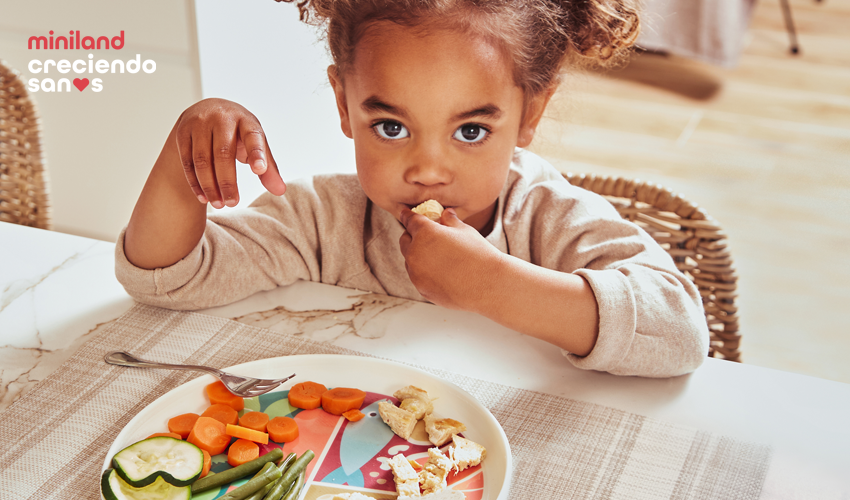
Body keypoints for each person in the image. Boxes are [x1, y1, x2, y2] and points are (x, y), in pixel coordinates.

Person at [116, 0, 709, 377]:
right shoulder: (321, 221)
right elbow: (164, 278)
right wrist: (181, 160)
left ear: (531, 113)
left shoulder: (547, 217)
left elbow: (680, 332)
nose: (427, 169)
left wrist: (493, 285)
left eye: (471, 130)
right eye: (391, 127)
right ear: (343, 104)